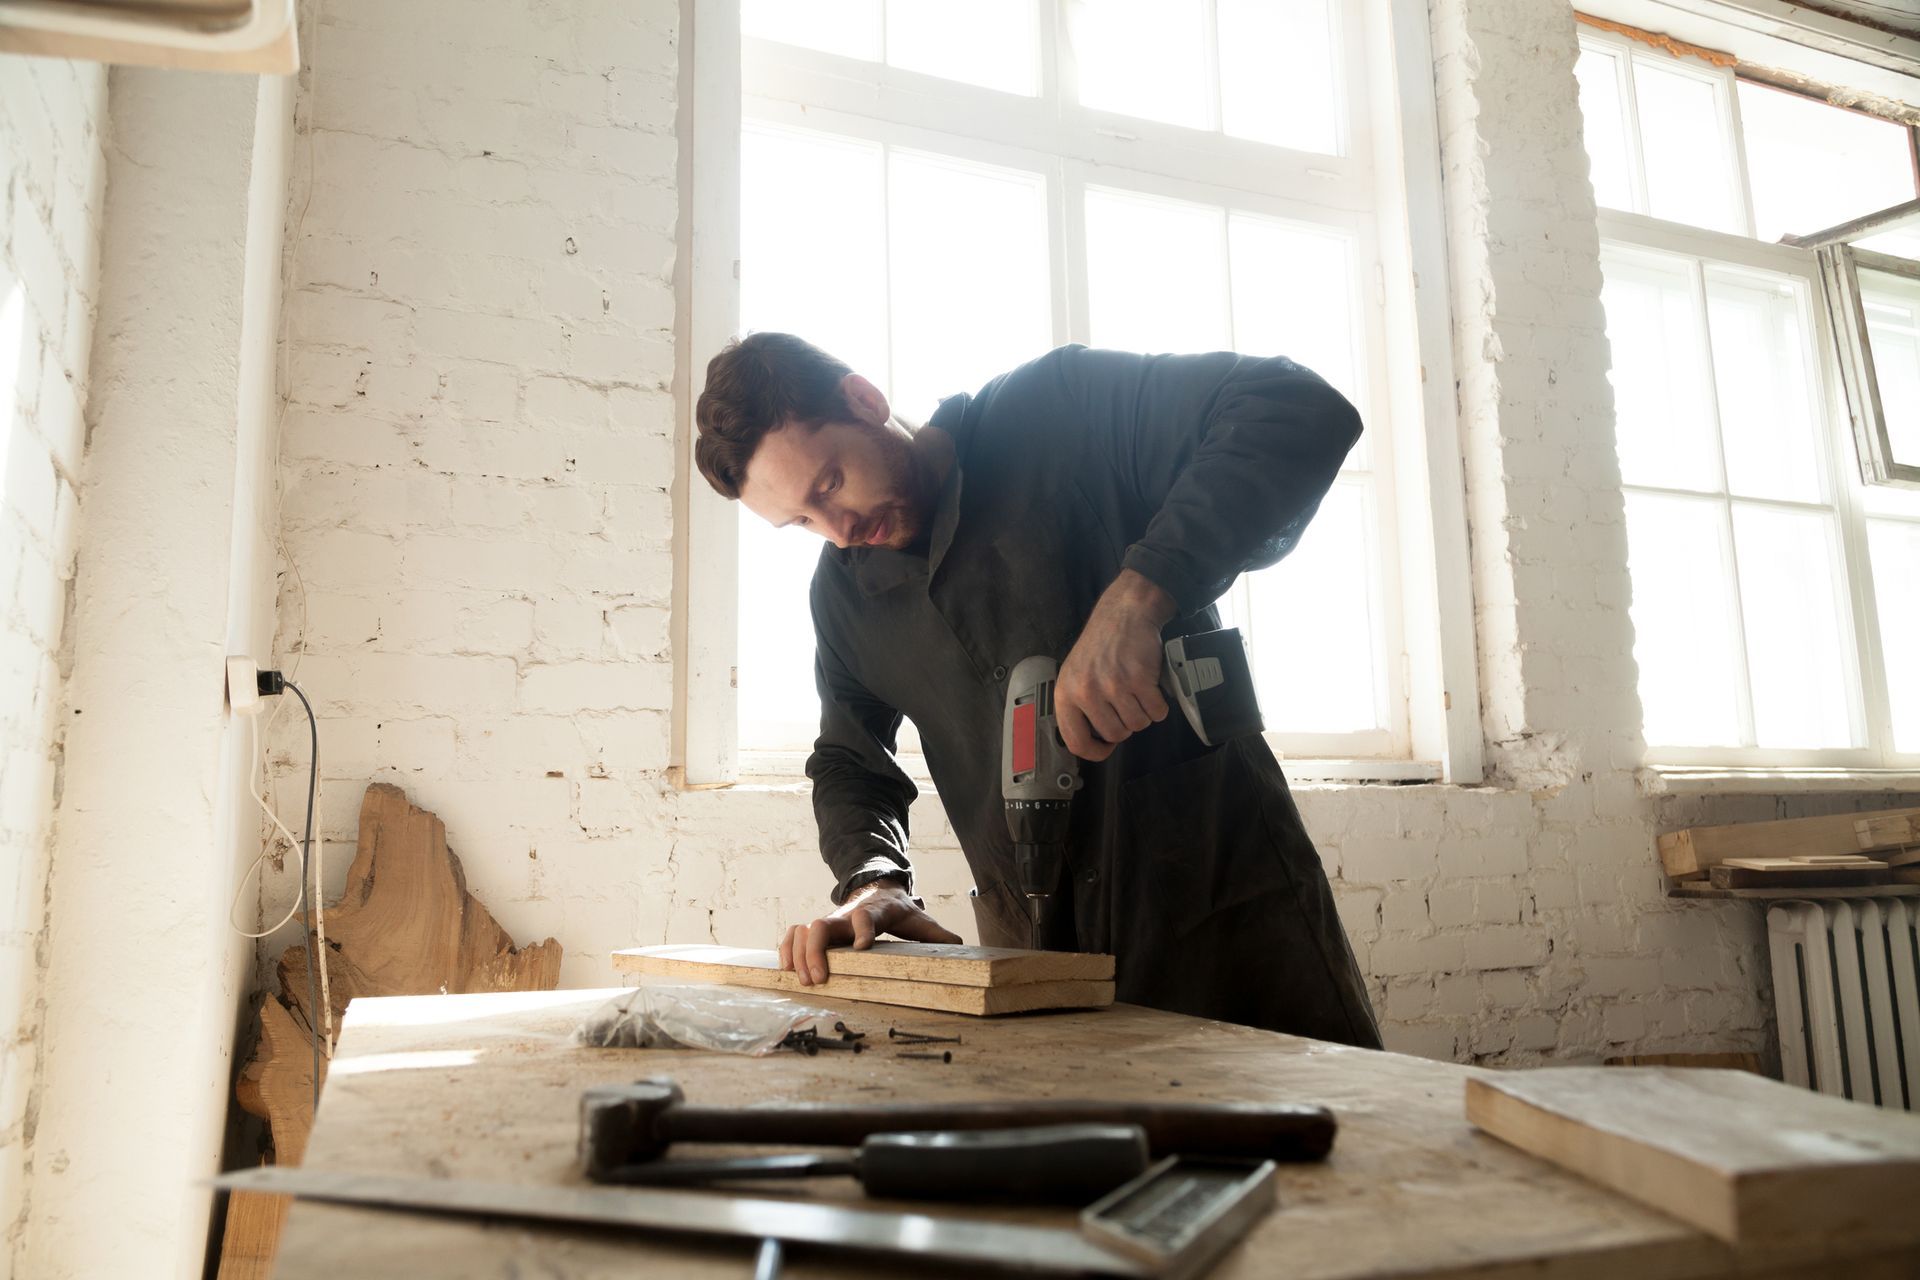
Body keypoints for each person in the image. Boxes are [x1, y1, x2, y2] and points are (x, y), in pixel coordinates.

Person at [693, 333, 1381, 1046]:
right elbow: (849, 762)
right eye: (801, 522)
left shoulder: (1055, 410)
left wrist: (1141, 593)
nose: (837, 532)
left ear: (865, 401)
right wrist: (875, 881)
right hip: (1035, 965)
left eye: (830, 483)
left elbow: (1295, 407)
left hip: (1227, 915)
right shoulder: (844, 598)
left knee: (1331, 1143)